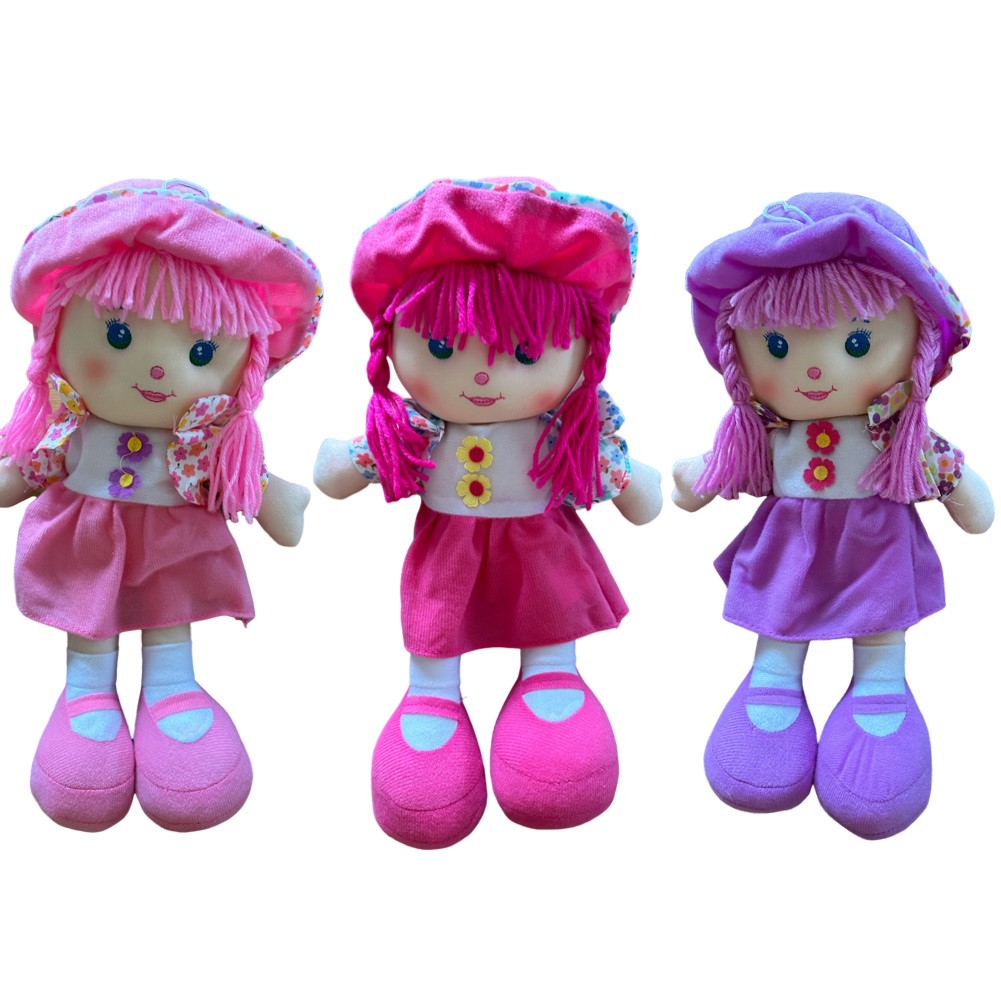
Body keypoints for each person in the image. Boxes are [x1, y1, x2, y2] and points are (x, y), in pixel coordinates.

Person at [315, 178, 661, 848]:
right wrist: (344, 463)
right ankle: (433, 699)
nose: (482, 376)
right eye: (443, 347)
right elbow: (343, 473)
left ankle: (550, 682)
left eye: (526, 352)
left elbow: (628, 489)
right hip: (449, 555)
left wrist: (635, 484)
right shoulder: (418, 428)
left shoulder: (561, 433)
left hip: (541, 554)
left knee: (547, 619)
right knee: (438, 625)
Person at [0, 179, 320, 832]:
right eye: (117, 335)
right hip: (86, 547)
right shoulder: (70, 428)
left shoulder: (203, 440)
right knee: (91, 627)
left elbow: (236, 477)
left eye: (202, 352)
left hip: (175, 550)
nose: (157, 371)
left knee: (168, 616)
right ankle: (87, 696)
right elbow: (31, 467)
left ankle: (171, 689)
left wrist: (272, 499)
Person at [674, 194, 994, 838]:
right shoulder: (769, 431)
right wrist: (698, 475)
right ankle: (773, 686)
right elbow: (728, 465)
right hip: (791, 547)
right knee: (780, 624)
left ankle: (879, 693)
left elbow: (967, 498)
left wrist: (963, 490)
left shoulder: (898, 438)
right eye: (778, 345)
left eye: (857, 342)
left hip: (874, 550)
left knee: (879, 629)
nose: (818, 369)